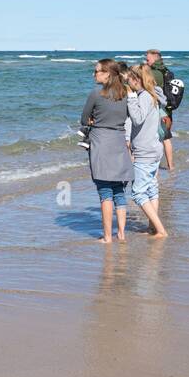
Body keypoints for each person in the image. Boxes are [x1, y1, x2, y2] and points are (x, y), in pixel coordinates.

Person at [80, 59, 135, 244]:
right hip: (119, 141)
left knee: (104, 192)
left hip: (100, 143)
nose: (94, 74)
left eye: (96, 71)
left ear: (107, 74)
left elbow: (84, 119)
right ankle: (121, 233)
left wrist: (93, 121)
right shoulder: (125, 94)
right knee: (119, 191)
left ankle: (107, 236)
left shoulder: (96, 94)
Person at [125, 64, 168, 238]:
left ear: (136, 79)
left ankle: (160, 230)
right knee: (151, 188)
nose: (127, 81)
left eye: (129, 79)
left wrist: (130, 97)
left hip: (146, 151)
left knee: (137, 192)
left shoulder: (143, 96)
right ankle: (152, 227)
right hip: (155, 148)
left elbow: (137, 118)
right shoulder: (153, 94)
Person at [145, 50, 183, 173]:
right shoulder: (166, 70)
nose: (146, 61)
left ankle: (156, 167)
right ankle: (171, 167)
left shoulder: (153, 73)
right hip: (168, 108)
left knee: (158, 138)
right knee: (166, 137)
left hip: (159, 109)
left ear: (155, 59)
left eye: (148, 59)